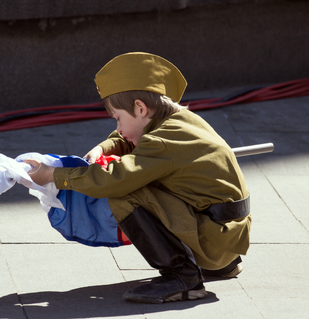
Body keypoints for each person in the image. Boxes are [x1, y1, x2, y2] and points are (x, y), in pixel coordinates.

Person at [24, 52, 251, 304]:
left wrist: (54, 175)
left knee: (125, 193)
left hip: (215, 241)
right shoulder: (182, 121)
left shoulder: (161, 142)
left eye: (118, 118)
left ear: (141, 108)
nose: (118, 128)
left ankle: (182, 277)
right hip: (229, 238)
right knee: (153, 184)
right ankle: (222, 265)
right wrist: (105, 147)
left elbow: (114, 179)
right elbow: (131, 138)